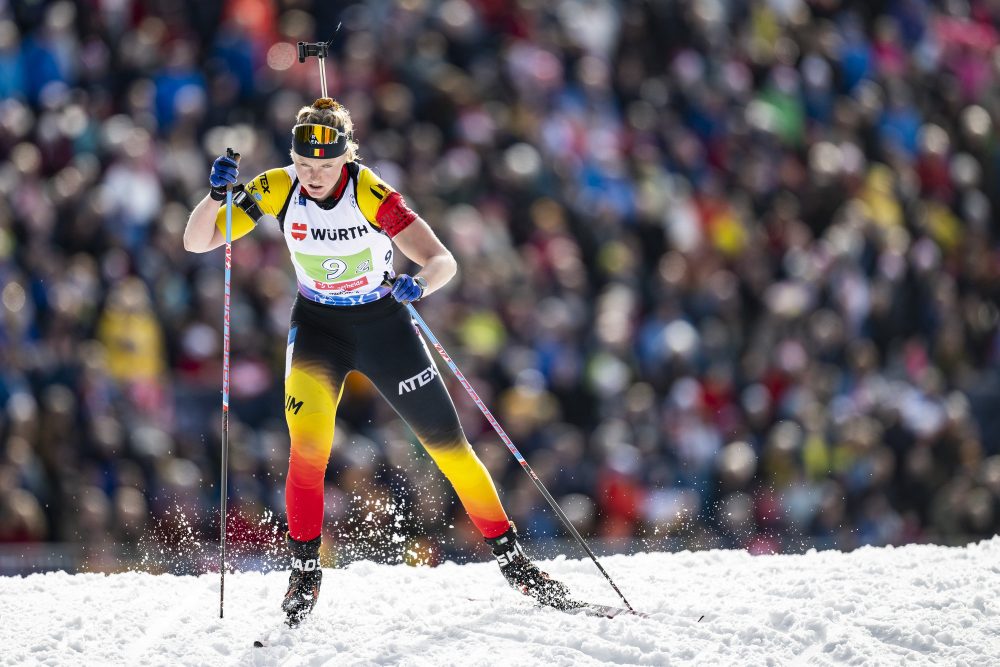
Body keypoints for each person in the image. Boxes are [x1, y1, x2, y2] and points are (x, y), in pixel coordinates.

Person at [183, 97, 570, 626]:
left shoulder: (369, 191)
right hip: (320, 328)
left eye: (325, 166)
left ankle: (515, 562)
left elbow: (442, 260)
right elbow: (198, 241)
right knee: (308, 450)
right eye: (305, 165)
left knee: (450, 449)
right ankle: (305, 573)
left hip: (382, 325)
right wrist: (214, 197)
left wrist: (420, 284)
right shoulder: (276, 186)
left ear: (346, 159)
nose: (313, 177)